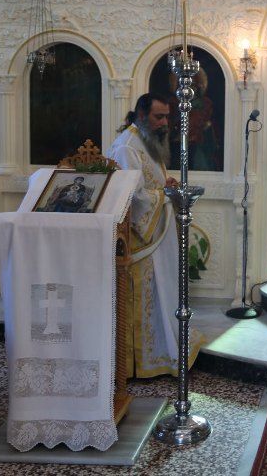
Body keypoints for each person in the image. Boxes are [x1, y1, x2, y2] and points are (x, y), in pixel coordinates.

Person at [107, 93, 203, 377]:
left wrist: (164, 184)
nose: (164, 123)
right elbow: (133, 197)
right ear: (141, 115)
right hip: (143, 239)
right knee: (148, 295)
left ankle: (164, 348)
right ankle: (142, 361)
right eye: (158, 117)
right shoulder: (127, 147)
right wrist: (165, 192)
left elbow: (150, 182)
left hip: (158, 232)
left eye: (166, 117)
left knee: (164, 290)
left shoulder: (145, 140)